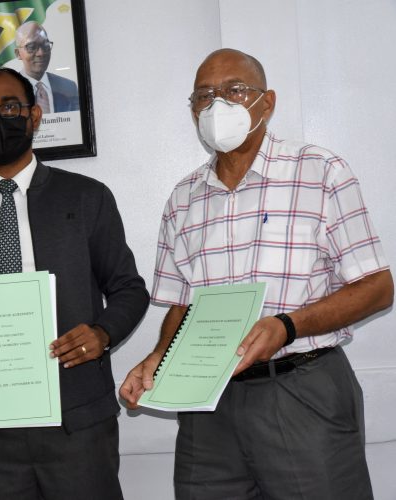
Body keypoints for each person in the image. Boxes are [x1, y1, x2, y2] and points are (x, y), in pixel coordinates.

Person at [120, 48, 393, 500]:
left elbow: (378, 288)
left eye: (234, 91)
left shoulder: (320, 172)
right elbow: (182, 305)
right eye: (203, 96)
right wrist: (158, 359)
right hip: (205, 403)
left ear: (266, 103)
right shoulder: (182, 198)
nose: (217, 105)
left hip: (301, 389)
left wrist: (286, 326)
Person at [0, 66, 149, 499]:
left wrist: (102, 333)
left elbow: (129, 288)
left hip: (78, 420)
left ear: (34, 116)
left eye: (10, 106)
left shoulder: (88, 198)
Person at [13, 22, 79, 113]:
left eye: (45, 45)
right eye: (32, 47)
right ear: (18, 54)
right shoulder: (9, 90)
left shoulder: (69, 87)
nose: (41, 53)